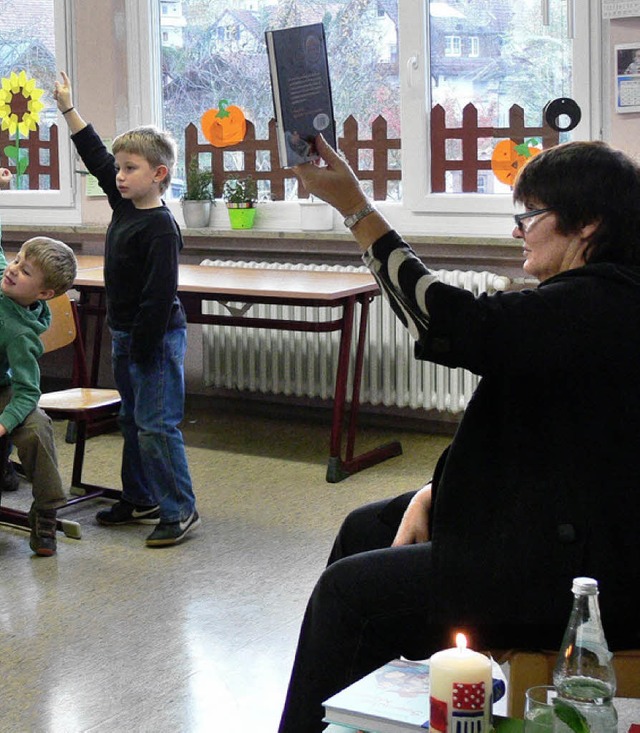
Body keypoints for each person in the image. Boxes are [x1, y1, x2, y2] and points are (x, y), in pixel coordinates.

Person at [278, 136, 640, 732]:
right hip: (566, 522)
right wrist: (433, 492)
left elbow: (448, 320)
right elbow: (534, 445)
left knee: (350, 595)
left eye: (531, 216)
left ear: (589, 222)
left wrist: (357, 209)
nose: (518, 230)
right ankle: (355, 714)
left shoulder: (596, 305)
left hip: (591, 577)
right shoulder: (594, 300)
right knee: (364, 525)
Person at [54, 71, 199, 548]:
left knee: (157, 426)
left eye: (130, 167)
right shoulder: (124, 206)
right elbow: (94, 154)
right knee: (132, 421)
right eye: (119, 168)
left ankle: (180, 508)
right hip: (126, 334)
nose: (118, 174)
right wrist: (69, 109)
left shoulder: (159, 226)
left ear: (158, 174)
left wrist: (139, 346)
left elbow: (160, 297)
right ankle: (141, 497)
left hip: (152, 339)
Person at [0, 235, 77, 556]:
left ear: (44, 294)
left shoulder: (20, 333)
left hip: (3, 389)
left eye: (26, 271)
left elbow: (28, 391)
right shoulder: (4, 273)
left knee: (36, 427)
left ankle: (45, 509)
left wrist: (4, 424)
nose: (14, 270)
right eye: (17, 260)